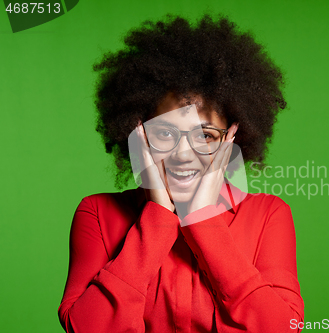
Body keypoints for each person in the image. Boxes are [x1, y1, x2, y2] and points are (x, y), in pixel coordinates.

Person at [57, 13, 304, 332]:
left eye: (205, 135)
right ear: (138, 135)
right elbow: (85, 327)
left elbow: (284, 327)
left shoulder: (268, 215)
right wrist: (157, 217)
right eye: (165, 134)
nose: (183, 154)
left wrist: (203, 219)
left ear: (231, 139)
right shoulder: (97, 214)